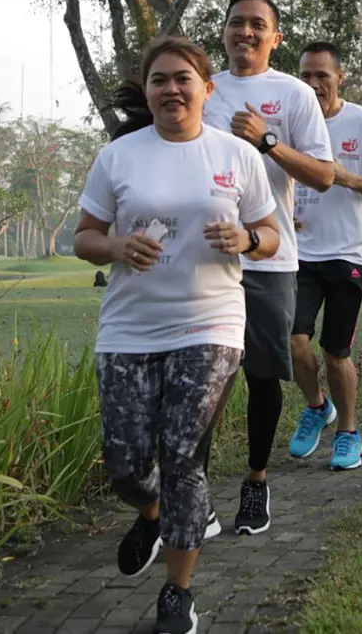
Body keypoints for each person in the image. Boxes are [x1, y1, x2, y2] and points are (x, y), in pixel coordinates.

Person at [73, 35, 281, 634]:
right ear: (149, 90)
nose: (171, 89)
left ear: (205, 89)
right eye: (159, 79)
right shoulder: (120, 156)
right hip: (129, 328)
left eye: (183, 78)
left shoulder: (236, 155)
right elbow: (84, 237)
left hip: (211, 322)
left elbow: (269, 232)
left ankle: (178, 593)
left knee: (184, 454)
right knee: (124, 465)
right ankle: (152, 509)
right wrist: (115, 244)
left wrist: (247, 240)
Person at [202, 0, 335, 536]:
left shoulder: (294, 94)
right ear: (225, 31)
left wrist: (268, 140)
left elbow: (324, 177)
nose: (246, 32)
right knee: (206, 377)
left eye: (258, 24)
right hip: (207, 259)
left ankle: (255, 483)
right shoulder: (203, 89)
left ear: (274, 37)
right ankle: (193, 492)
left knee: (261, 376)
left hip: (270, 260)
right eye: (237, 22)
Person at [288, 41, 362, 470]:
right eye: (306, 76)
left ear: (340, 78)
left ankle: (349, 433)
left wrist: (345, 177)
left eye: (322, 75)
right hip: (300, 253)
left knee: (336, 352)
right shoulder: (290, 124)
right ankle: (318, 407)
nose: (314, 84)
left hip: (349, 252)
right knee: (294, 342)